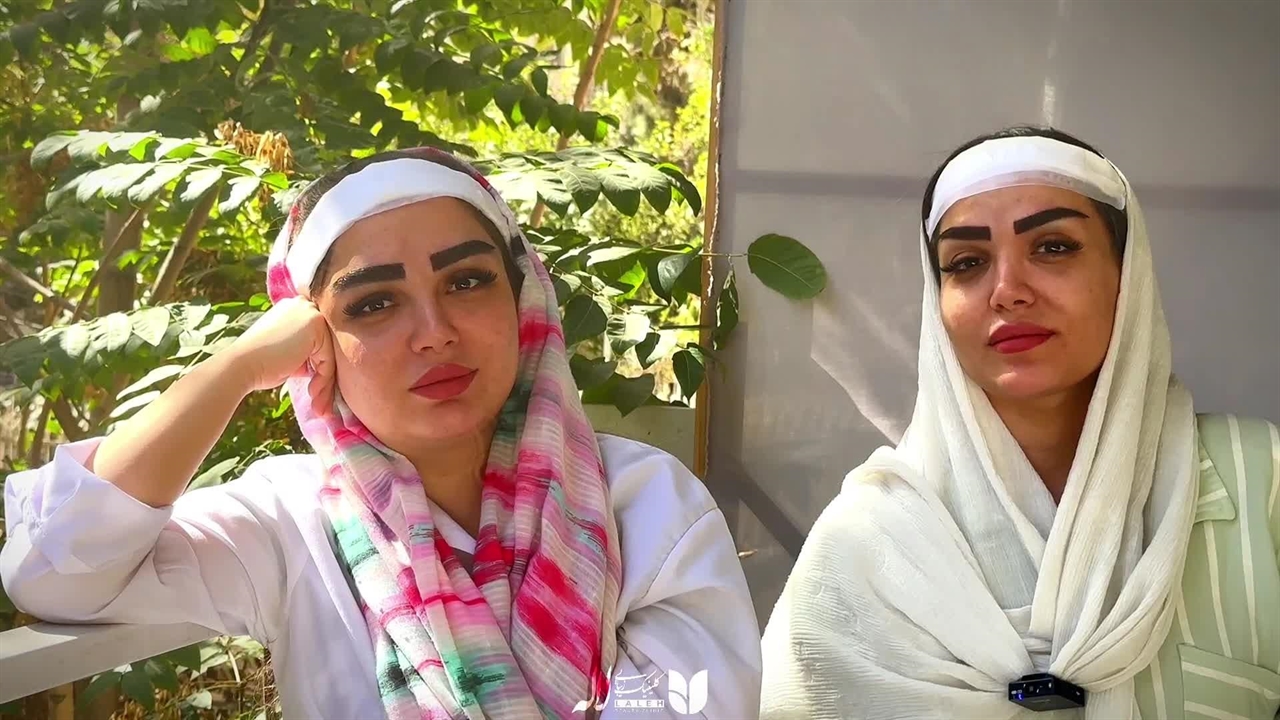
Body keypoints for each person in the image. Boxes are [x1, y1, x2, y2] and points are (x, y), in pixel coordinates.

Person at [1, 148, 762, 719]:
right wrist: (233, 368)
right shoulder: (292, 523)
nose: (433, 332)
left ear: (524, 302)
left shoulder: (643, 506)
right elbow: (55, 569)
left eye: (467, 281)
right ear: (314, 343)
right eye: (372, 304)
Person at [758, 127, 1279, 719]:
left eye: (1053, 247)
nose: (1007, 291)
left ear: (1127, 274)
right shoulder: (866, 543)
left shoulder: (1256, 481)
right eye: (967, 262)